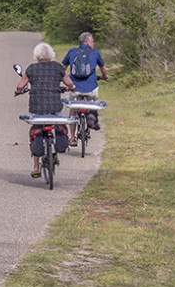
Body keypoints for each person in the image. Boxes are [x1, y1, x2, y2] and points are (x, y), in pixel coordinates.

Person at [14, 42, 74, 179]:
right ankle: (58, 148)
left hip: (37, 108)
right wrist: (71, 87)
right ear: (51, 54)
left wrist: (19, 91)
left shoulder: (31, 69)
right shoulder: (58, 67)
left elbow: (20, 86)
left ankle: (36, 167)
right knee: (59, 123)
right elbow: (69, 83)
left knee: (35, 128)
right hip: (55, 107)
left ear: (36, 55)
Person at [61, 31, 107, 143]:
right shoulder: (95, 52)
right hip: (91, 88)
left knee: (73, 111)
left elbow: (62, 68)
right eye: (93, 41)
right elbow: (103, 69)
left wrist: (67, 81)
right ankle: (92, 117)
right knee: (93, 101)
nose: (93, 44)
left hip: (75, 88)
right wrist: (104, 76)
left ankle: (72, 138)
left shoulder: (72, 51)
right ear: (88, 41)